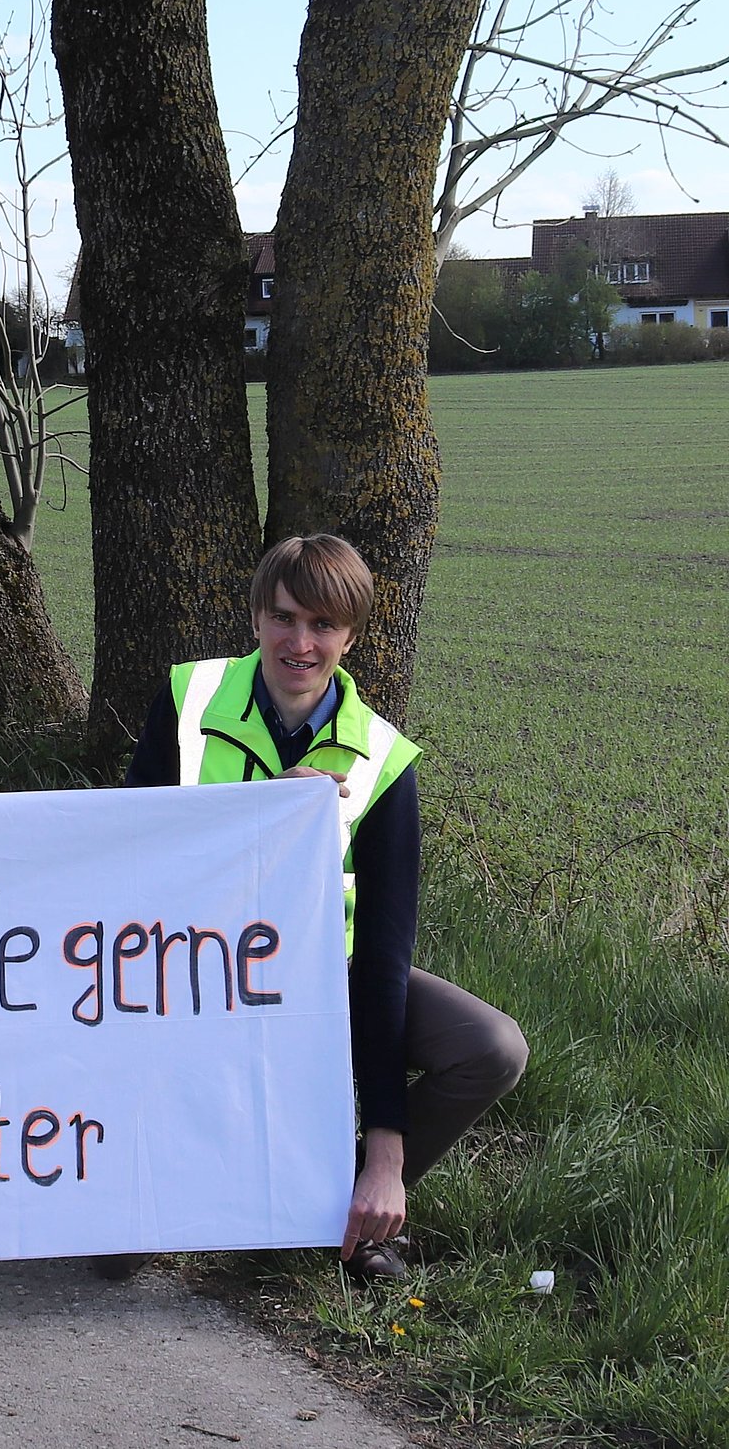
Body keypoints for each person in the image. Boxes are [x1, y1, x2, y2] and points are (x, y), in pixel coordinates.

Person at [114, 534, 526, 1283]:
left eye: (323, 625)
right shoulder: (188, 699)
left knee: (491, 1047)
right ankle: (219, 1189)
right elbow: (129, 855)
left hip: (320, 980)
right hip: (186, 976)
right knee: (116, 1261)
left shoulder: (382, 757)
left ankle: (345, 1214)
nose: (300, 642)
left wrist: (386, 1153)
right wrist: (261, 817)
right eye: (284, 617)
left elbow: (382, 956)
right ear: (255, 618)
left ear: (351, 636)